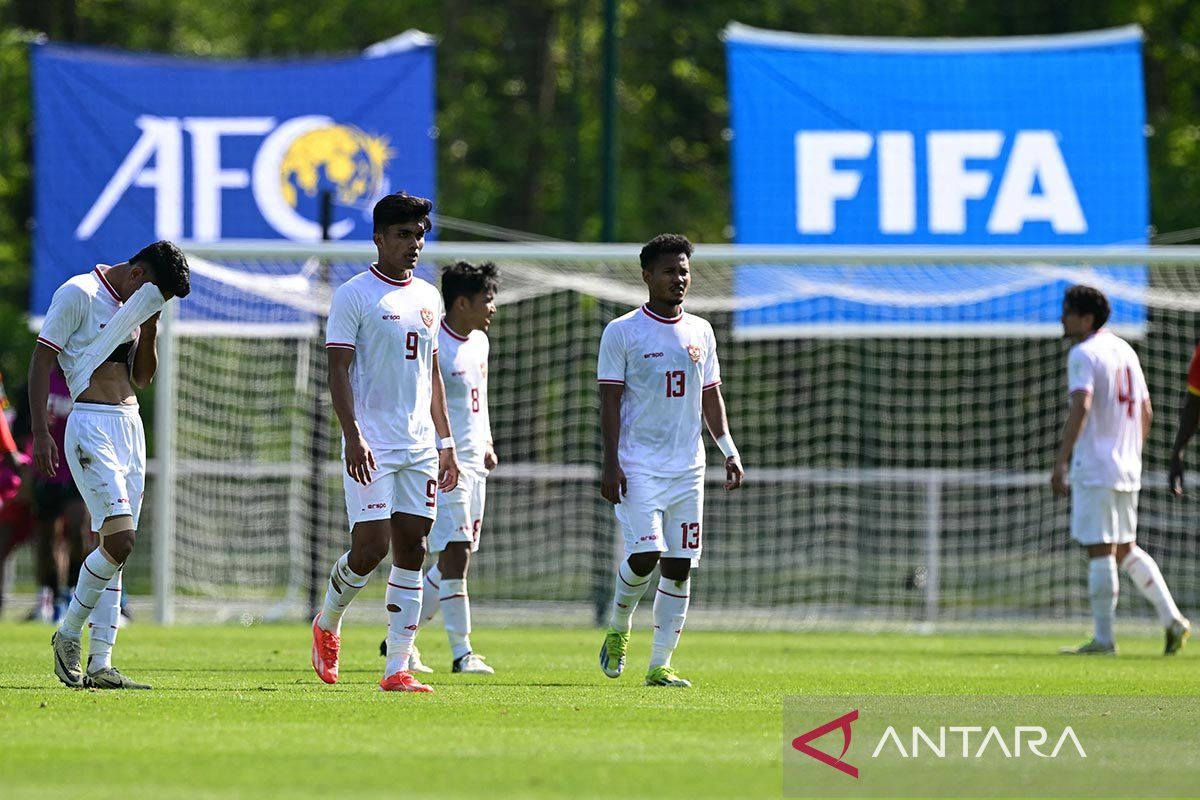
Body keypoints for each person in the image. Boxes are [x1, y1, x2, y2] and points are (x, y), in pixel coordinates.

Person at [311, 192, 460, 693]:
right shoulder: (354, 295)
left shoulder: (430, 296)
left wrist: (446, 441)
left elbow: (432, 374)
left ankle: (397, 667)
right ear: (378, 239)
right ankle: (328, 622)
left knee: (413, 548)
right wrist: (352, 436)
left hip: (419, 445)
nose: (415, 244)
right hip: (371, 443)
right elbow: (337, 371)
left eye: (420, 235)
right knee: (370, 547)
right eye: (404, 235)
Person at [38, 241, 190, 688]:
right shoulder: (79, 293)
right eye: (158, 295)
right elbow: (41, 359)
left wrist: (154, 322)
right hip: (90, 426)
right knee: (120, 540)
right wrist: (45, 432)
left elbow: (141, 378)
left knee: (114, 549)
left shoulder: (138, 308)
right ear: (141, 275)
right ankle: (67, 635)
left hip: (130, 426)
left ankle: (102, 664)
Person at [596, 234, 744, 687]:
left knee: (679, 566)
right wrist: (609, 463)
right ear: (647, 276)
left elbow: (711, 395)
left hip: (688, 468)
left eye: (683, 271)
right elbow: (609, 402)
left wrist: (729, 450)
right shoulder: (622, 331)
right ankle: (619, 627)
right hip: (637, 464)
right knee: (646, 553)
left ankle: (659, 664)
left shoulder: (701, 330)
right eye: (668, 271)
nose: (678, 279)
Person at [1051, 284, 1190, 656]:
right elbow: (1146, 411)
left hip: (1096, 465)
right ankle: (1172, 619)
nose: (1061, 319)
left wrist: (1061, 460)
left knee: (1101, 549)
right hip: (1127, 467)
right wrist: (1130, 452)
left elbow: (1081, 406)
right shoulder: (1125, 350)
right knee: (1125, 547)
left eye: (1067, 311)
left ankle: (1104, 639)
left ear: (1086, 318)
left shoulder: (1084, 352)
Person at [411, 261, 499, 674]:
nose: (493, 308)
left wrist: (488, 441)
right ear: (461, 302)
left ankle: (403, 635)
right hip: (446, 465)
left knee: (450, 557)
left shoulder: (480, 341)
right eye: (487, 299)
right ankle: (463, 653)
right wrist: (441, 451)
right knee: (456, 553)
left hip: (475, 464)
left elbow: (478, 400)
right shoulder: (436, 345)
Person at [11, 365, 90, 624]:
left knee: (79, 530)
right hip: (45, 471)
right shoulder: (37, 383)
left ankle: (73, 591)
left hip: (78, 471)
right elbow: (19, 431)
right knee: (47, 540)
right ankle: (54, 597)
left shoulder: (86, 378)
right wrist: (37, 426)